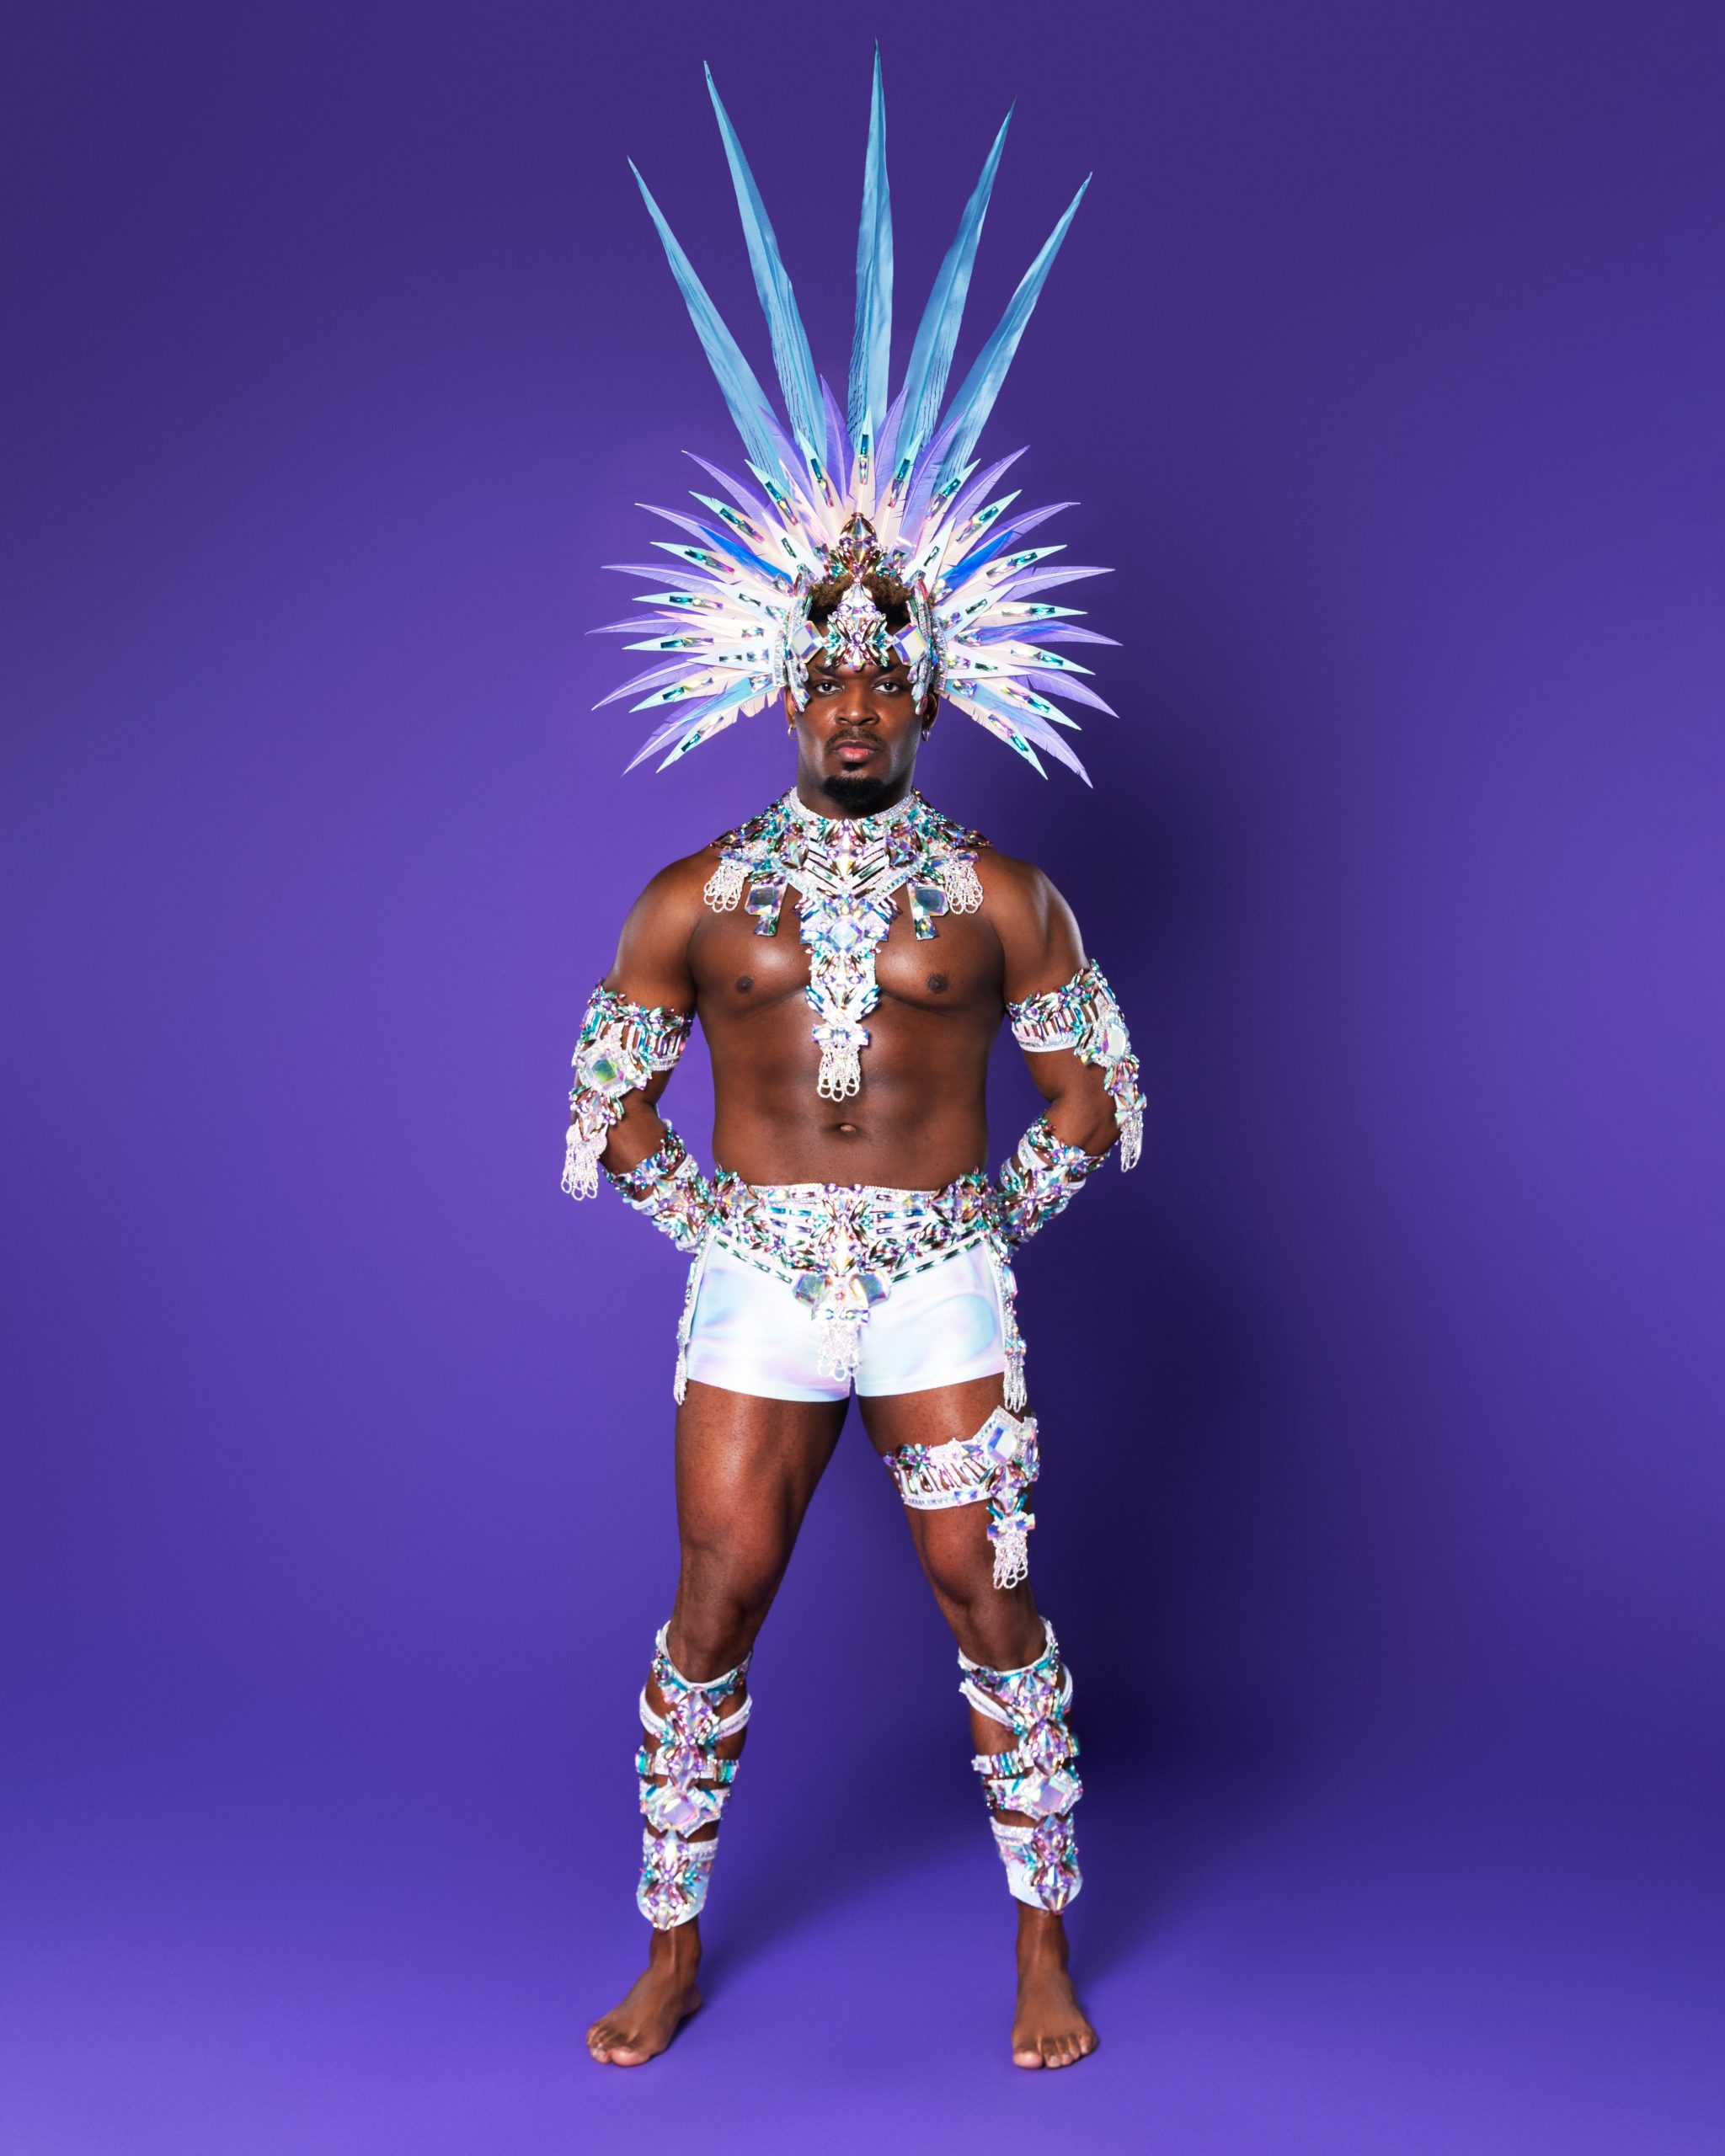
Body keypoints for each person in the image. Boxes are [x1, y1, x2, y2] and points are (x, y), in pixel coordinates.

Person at [563, 58, 1141, 2071]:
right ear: (778, 687)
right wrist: (710, 1216)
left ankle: (1044, 1948)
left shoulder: (1002, 895)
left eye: (886, 669)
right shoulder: (688, 899)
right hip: (754, 1278)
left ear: (933, 685)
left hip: (938, 1271)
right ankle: (669, 1944)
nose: (854, 700)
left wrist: (984, 1213)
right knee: (716, 1594)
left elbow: (1095, 1094)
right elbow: (605, 1103)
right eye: (824, 671)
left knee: (986, 1595)